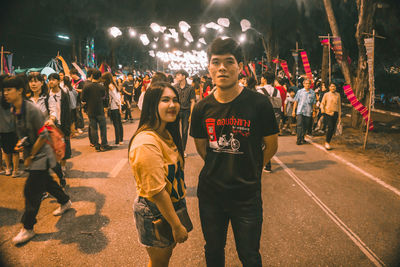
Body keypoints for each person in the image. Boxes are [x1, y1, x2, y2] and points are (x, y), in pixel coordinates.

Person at [190, 37, 278, 267]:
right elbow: (202, 147)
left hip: (246, 196)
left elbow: (271, 145)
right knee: (213, 251)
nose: (222, 68)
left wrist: (251, 167)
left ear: (239, 66)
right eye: (215, 62)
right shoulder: (201, 108)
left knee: (250, 255)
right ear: (209, 67)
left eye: (229, 62)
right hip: (211, 195)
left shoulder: (259, 104)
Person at [3, 76, 71, 245]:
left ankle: (28, 228)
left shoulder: (32, 110)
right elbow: (25, 134)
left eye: (9, 89)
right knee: (47, 183)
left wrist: (30, 156)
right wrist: (21, 144)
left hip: (42, 156)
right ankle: (65, 201)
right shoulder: (14, 110)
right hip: (33, 155)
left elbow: (42, 136)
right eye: (4, 90)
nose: (5, 93)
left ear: (19, 90)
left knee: (31, 192)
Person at [129, 82, 189, 267]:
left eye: (175, 100)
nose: (172, 105)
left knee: (164, 257)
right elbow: (156, 191)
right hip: (155, 210)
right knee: (159, 262)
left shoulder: (165, 132)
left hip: (169, 206)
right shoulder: (146, 142)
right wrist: (177, 226)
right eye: (165, 100)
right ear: (152, 104)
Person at [47, 73, 72, 181]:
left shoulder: (64, 94)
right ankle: (56, 166)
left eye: (53, 80)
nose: (51, 82)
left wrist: (69, 127)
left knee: (64, 146)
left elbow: (69, 111)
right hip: (52, 125)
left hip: (63, 124)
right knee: (53, 148)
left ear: (58, 81)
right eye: (49, 80)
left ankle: (62, 166)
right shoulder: (47, 95)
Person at [256, 72, 281, 172]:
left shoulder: (259, 91)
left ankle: (265, 164)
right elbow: (279, 106)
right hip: (274, 117)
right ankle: (267, 164)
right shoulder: (277, 91)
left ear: (264, 79)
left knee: (261, 141)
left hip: (262, 118)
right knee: (270, 141)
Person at [81, 69, 112, 152]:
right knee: (103, 128)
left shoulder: (86, 87)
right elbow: (104, 97)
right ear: (99, 77)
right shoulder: (101, 87)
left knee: (93, 128)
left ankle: (96, 146)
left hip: (90, 110)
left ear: (92, 76)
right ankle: (104, 144)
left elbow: (82, 99)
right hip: (100, 110)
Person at [0, 75, 21, 177]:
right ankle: (15, 171)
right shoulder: (13, 97)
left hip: (2, 128)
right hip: (13, 128)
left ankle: (8, 169)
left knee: (6, 151)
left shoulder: (1, 97)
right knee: (15, 151)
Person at [174, 69, 195, 157]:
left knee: (184, 131)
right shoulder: (175, 87)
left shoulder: (190, 88)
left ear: (184, 76)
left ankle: (182, 150)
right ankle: (176, 149)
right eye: (177, 75)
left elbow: (193, 101)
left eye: (179, 75)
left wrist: (191, 114)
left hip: (186, 111)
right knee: (175, 130)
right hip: (177, 111)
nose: (177, 77)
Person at [292, 79, 316, 145]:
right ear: (303, 84)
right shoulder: (299, 92)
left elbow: (314, 103)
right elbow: (296, 101)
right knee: (299, 125)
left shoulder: (313, 93)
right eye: (306, 83)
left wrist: (314, 111)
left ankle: (302, 137)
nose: (307, 85)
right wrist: (294, 111)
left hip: (308, 112)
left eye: (308, 83)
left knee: (306, 126)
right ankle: (298, 139)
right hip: (300, 111)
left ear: (310, 85)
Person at [102, 72, 124, 145]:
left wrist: (119, 106)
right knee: (119, 124)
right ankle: (120, 139)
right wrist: (120, 106)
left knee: (116, 124)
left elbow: (115, 97)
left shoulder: (110, 85)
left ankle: (118, 141)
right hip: (116, 107)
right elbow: (118, 96)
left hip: (114, 107)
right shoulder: (113, 84)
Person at [320, 82, 341, 150]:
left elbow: (339, 106)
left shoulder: (338, 95)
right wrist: (322, 109)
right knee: (330, 126)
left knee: (332, 129)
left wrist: (339, 116)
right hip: (327, 113)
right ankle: (327, 142)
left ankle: (328, 140)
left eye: (334, 86)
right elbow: (322, 103)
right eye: (331, 86)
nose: (333, 88)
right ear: (329, 87)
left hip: (335, 113)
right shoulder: (326, 94)